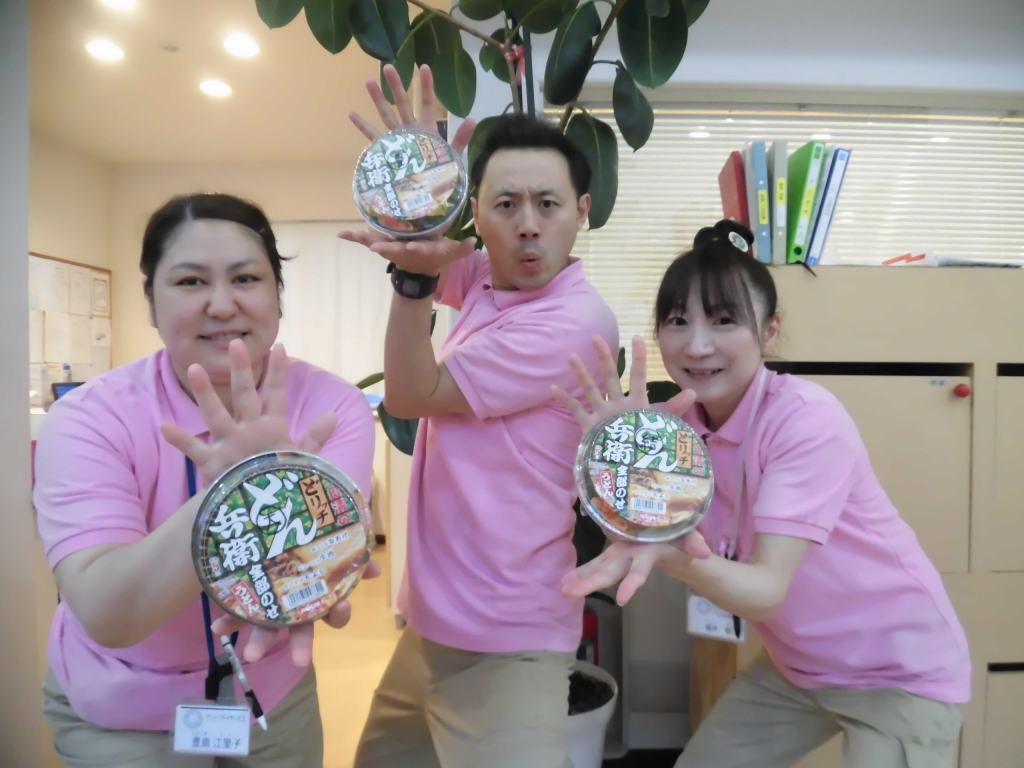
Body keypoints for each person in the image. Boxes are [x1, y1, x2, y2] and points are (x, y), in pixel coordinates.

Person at [557, 219, 971, 768]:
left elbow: (765, 589)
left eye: (724, 320)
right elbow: (637, 524)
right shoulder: (678, 432)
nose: (697, 344)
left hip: (898, 672)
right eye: (678, 320)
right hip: (799, 666)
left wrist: (669, 555)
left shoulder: (805, 420)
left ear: (770, 331)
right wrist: (612, 453)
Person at [338, 64, 638, 768]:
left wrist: (413, 278)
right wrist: (416, 188)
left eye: (547, 204)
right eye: (505, 205)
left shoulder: (574, 322)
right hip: (432, 625)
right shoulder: (487, 281)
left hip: (508, 639)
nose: (527, 225)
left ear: (581, 211)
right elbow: (432, 254)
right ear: (478, 209)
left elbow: (411, 394)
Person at [34, 192, 377, 767]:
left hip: (269, 688)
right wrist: (238, 489)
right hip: (121, 704)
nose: (221, 305)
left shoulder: (331, 406)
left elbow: (317, 567)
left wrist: (313, 563)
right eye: (191, 282)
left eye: (246, 278)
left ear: (277, 295)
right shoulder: (90, 417)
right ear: (151, 301)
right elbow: (109, 612)